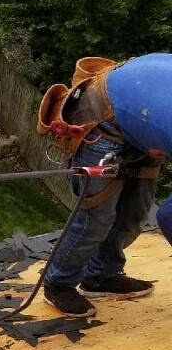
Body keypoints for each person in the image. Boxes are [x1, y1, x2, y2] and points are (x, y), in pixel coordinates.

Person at [38, 53, 172, 317]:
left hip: (139, 113)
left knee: (135, 208)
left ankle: (100, 276)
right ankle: (59, 284)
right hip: (100, 116)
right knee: (96, 216)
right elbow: (169, 218)